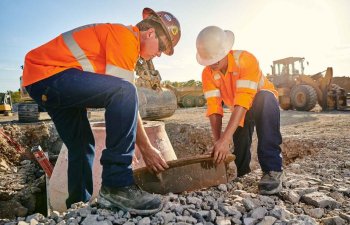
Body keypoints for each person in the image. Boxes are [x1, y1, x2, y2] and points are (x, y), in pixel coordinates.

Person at [22, 8, 181, 214]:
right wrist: (144, 147)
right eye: (162, 47)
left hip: (42, 79)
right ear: (150, 33)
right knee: (125, 91)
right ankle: (117, 184)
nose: (158, 54)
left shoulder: (119, 38)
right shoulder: (125, 38)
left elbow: (117, 101)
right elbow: (124, 96)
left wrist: (125, 143)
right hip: (49, 75)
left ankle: (79, 208)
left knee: (82, 145)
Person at [195, 26, 283, 195]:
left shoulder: (246, 60)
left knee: (264, 98)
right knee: (239, 138)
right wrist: (219, 141)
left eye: (216, 59)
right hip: (240, 108)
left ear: (226, 50)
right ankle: (242, 174)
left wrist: (225, 140)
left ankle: (272, 170)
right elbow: (214, 108)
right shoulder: (208, 73)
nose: (212, 64)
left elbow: (243, 100)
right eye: (209, 61)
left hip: (260, 102)